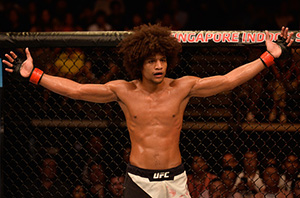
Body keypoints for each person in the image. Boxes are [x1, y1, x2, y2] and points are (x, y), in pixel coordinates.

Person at [3, 24, 293, 198]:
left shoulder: (183, 87)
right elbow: (76, 90)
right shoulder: (123, 90)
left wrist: (268, 57)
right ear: (138, 62)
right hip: (138, 180)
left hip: (175, 180)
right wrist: (34, 75)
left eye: (163, 60)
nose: (159, 66)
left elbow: (229, 80)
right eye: (152, 60)